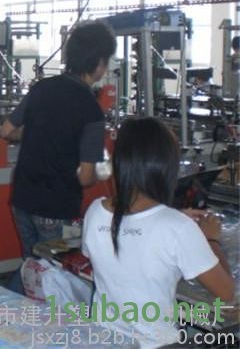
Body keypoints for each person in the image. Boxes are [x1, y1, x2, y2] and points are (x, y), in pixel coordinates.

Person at [82, 117, 234, 347]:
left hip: (106, 340)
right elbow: (226, 293)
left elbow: (132, 235)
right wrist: (210, 239)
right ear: (165, 167)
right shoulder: (178, 229)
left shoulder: (95, 211)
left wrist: (172, 218)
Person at [0, 20, 116, 291]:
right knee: (54, 278)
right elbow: (85, 177)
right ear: (99, 62)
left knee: (32, 269)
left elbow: (6, 130)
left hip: (22, 199)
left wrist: (40, 133)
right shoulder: (91, 110)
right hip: (55, 205)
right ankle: (10, 305)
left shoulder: (43, 87)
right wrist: (101, 171)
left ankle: (16, 309)